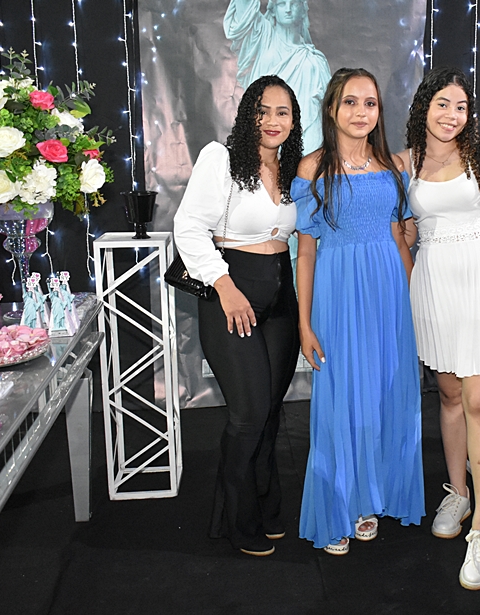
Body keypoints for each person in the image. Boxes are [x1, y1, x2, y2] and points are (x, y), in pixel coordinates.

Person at [398, 66, 480, 590]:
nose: (452, 115)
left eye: (461, 107)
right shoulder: (405, 163)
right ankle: (457, 492)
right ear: (423, 107)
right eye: (443, 104)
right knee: (451, 396)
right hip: (435, 287)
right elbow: (404, 233)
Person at [294, 68, 424, 555]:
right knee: (342, 397)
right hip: (338, 292)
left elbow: (401, 238)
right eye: (350, 102)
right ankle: (339, 503)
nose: (360, 112)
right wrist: (305, 322)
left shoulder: (392, 166)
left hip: (389, 292)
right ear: (331, 109)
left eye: (369, 103)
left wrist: (416, 301)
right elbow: (306, 252)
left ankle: (370, 498)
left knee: (385, 394)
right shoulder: (312, 168)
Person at [173, 75, 303, 557]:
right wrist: (225, 288)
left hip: (281, 296)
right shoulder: (221, 158)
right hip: (231, 290)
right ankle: (236, 518)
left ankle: (266, 506)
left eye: (283, 112)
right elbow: (188, 227)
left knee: (268, 413)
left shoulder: (294, 170)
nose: (272, 120)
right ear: (248, 114)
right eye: (262, 110)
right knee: (248, 414)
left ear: (294, 120)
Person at [225, 0, 331, 154]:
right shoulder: (262, 35)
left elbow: (329, 107)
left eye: (294, 3)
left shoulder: (315, 58)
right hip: (268, 127)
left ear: (303, 9)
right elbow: (244, 6)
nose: (288, 9)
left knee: (306, 165)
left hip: (309, 132)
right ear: (273, 9)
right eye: (282, 3)